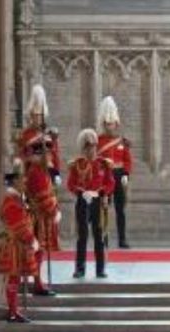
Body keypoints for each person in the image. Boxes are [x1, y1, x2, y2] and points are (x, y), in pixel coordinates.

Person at [66, 128, 115, 279]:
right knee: (82, 236)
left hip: (98, 202)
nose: (92, 148)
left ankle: (100, 269)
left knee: (99, 236)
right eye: (88, 146)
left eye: (94, 145)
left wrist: (103, 193)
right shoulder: (77, 164)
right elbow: (71, 184)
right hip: (83, 201)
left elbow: (110, 182)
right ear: (84, 148)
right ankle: (80, 268)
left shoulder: (103, 164)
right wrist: (81, 193)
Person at [0, 164, 39, 323]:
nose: (25, 182)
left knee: (15, 278)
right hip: (14, 244)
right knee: (13, 278)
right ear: (15, 182)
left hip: (18, 244)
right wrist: (30, 239)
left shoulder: (17, 199)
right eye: (22, 180)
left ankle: (14, 310)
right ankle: (13, 312)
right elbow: (18, 224)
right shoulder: (11, 201)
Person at [97, 96, 134, 249]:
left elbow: (127, 160)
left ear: (116, 124)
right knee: (104, 208)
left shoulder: (122, 142)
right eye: (107, 124)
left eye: (111, 123)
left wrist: (126, 173)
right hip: (105, 176)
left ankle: (122, 239)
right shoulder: (98, 141)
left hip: (119, 176)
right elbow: (97, 160)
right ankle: (103, 238)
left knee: (120, 210)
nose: (109, 126)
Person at [24, 141, 60, 296]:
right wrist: (54, 209)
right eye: (48, 154)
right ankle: (37, 282)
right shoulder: (36, 172)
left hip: (44, 217)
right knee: (37, 252)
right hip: (39, 218)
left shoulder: (42, 170)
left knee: (40, 252)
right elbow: (43, 197)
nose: (51, 156)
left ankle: (38, 281)